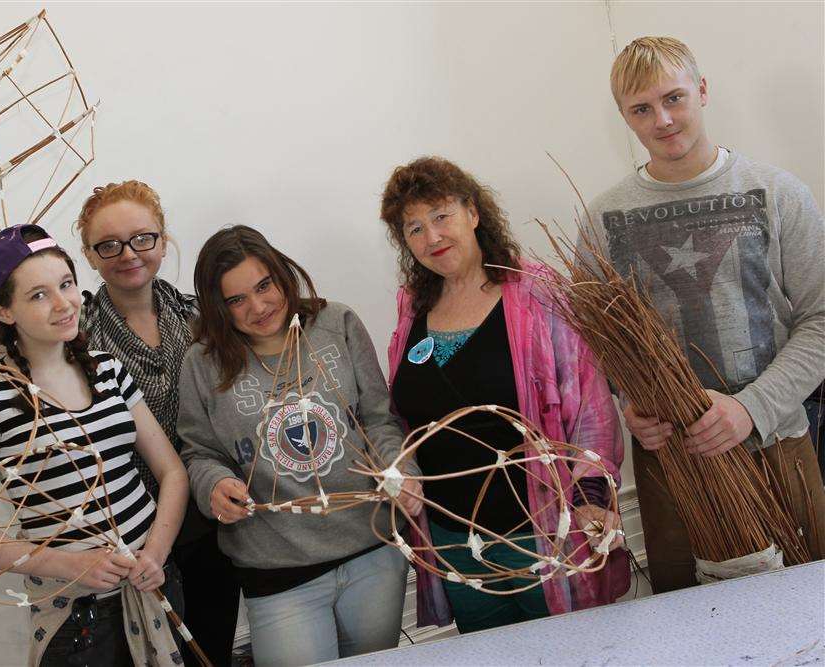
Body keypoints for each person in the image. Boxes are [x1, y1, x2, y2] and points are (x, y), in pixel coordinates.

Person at [585, 36, 825, 592]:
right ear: (625, 117)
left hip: (777, 444)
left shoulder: (777, 192)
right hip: (671, 463)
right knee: (691, 625)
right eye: (641, 109)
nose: (663, 119)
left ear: (703, 91)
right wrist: (629, 403)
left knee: (804, 611)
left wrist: (750, 408)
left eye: (674, 98)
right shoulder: (604, 219)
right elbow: (598, 345)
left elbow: (820, 320)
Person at [379, 156, 630, 633]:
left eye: (441, 216)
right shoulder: (412, 308)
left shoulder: (538, 293)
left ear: (473, 212)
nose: (431, 237)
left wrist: (591, 498)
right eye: (413, 228)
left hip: (544, 536)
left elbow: (592, 412)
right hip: (457, 542)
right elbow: (402, 418)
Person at [177, 225, 421, 667]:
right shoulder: (202, 362)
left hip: (373, 550)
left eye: (264, 285)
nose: (258, 306)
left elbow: (378, 419)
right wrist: (213, 484)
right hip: (277, 569)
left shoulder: (337, 324)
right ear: (218, 308)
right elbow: (198, 452)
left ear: (281, 274)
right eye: (236, 300)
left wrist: (400, 470)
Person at [0, 224, 189, 666]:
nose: (64, 304)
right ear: (5, 312)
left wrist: (156, 552)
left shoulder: (107, 369)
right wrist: (70, 565)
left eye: (66, 284)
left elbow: (172, 472)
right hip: (77, 614)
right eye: (38, 295)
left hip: (155, 583)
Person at [75, 181, 240, 666]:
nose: (128, 254)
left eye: (142, 238)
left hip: (208, 518)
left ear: (163, 241)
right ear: (89, 255)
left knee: (212, 647)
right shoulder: (77, 333)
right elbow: (1, 368)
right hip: (130, 531)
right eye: (109, 244)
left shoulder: (200, 317)